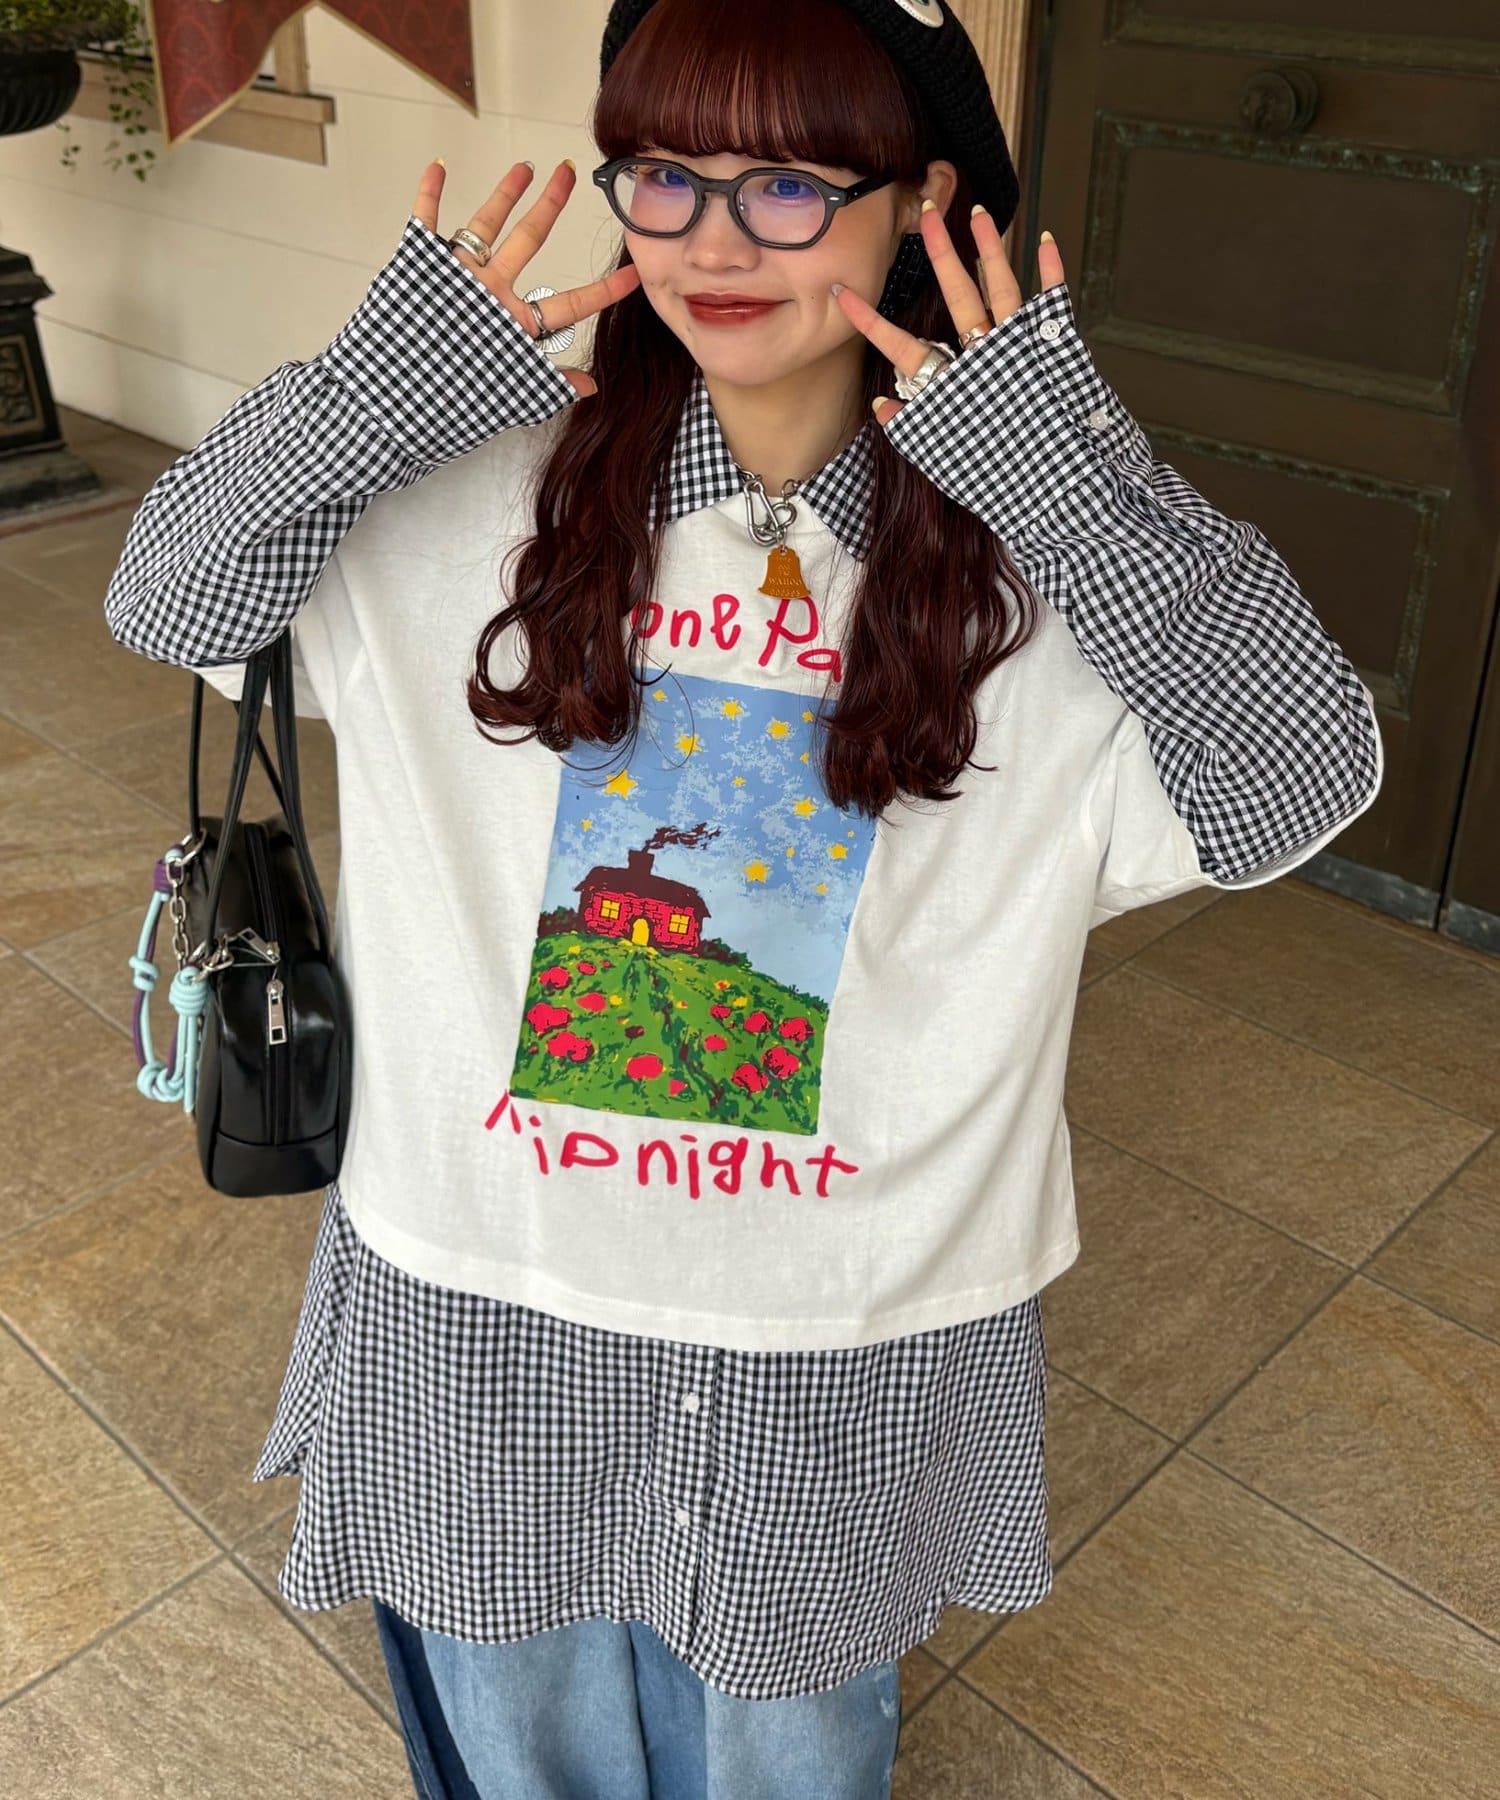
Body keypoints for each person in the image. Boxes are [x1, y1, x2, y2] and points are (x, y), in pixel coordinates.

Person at [102, 1, 1383, 1793]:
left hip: (837, 1325)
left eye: (788, 183)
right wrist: (363, 401)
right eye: (666, 174)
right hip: (489, 1286)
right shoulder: (463, 491)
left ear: (922, 201)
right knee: (524, 1734)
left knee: (793, 1751)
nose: (713, 239)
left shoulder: (1041, 555)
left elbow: (1299, 779)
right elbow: (165, 598)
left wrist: (1075, 486)